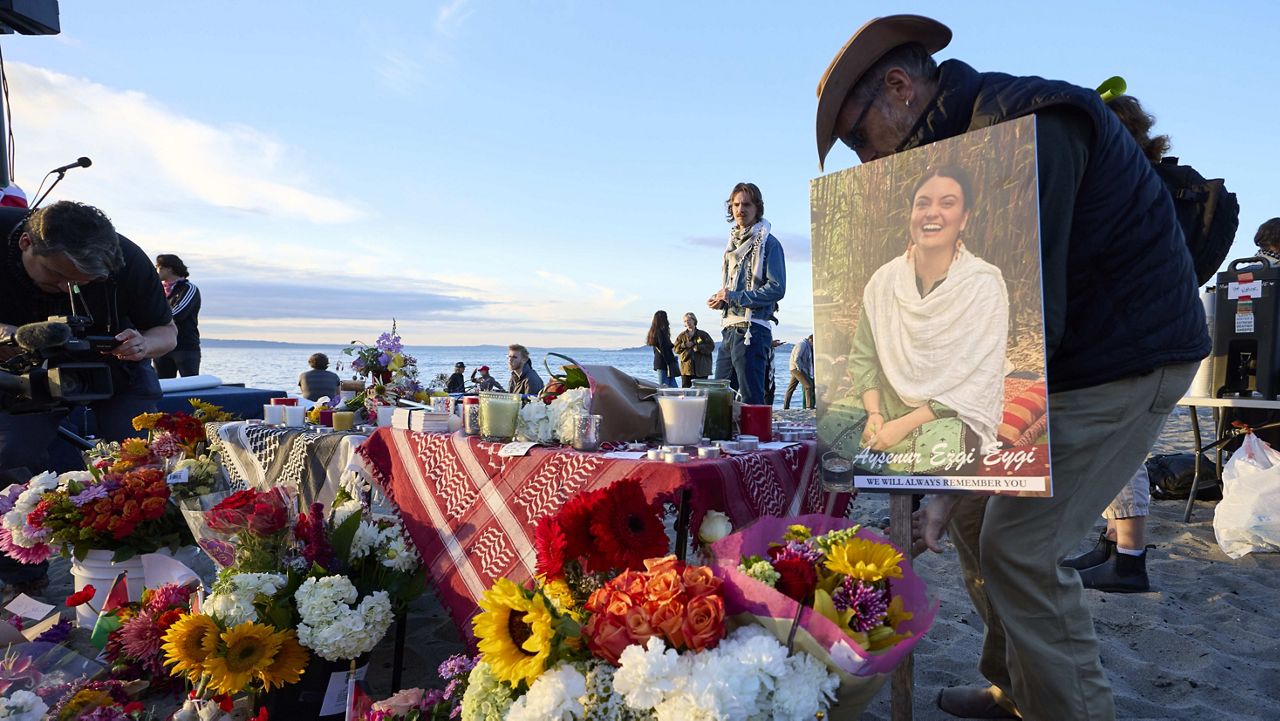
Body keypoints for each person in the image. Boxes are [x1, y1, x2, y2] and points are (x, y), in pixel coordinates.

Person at [815, 16, 1206, 721]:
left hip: (1125, 356)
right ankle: (1016, 686)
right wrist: (939, 475)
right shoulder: (960, 151)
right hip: (1069, 353)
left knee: (1022, 544)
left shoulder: (1028, 125)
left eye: (857, 139)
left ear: (899, 88)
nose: (865, 162)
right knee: (969, 516)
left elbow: (1026, 328)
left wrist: (949, 476)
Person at [0, 200, 177, 592]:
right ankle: (23, 573)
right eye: (57, 277)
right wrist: (11, 337)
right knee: (10, 454)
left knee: (141, 462)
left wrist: (144, 346)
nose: (67, 289)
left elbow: (167, 332)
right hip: (26, 369)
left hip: (117, 368)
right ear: (26, 243)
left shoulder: (126, 258)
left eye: (81, 284)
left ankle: (145, 569)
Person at [825, 165, 1008, 474]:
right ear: (911, 215)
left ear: (964, 218)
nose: (931, 213)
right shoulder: (884, 282)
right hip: (885, 402)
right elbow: (863, 357)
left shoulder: (983, 284)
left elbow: (976, 379)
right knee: (830, 425)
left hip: (947, 412)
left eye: (947, 203)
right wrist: (874, 414)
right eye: (922, 203)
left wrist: (902, 426)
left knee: (946, 448)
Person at [1060, 95, 1174, 593]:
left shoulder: (1126, 190)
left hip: (1131, 347)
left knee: (1116, 454)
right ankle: (1114, 547)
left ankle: (1129, 561)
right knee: (1116, 453)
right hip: (1143, 341)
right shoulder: (1145, 186)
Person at [708, 182, 786, 406]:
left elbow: (777, 288)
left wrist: (734, 297)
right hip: (729, 330)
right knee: (719, 398)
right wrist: (722, 300)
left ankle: (755, 440)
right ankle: (724, 441)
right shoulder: (731, 247)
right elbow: (735, 288)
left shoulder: (769, 244)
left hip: (753, 330)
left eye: (747, 204)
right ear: (730, 208)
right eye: (736, 204)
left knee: (752, 399)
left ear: (757, 208)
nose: (740, 209)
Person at [152, 254, 201, 378]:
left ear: (169, 268)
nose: (156, 269)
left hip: (185, 348)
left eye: (158, 266)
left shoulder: (189, 289)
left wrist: (154, 319)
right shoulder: (158, 291)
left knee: (191, 386)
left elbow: (179, 313)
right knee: (163, 388)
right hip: (161, 346)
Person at [673, 312, 715, 387]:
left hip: (702, 369)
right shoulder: (681, 336)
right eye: (685, 321)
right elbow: (675, 349)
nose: (687, 322)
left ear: (694, 320)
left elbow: (711, 346)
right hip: (687, 370)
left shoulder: (703, 334)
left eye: (689, 320)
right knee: (686, 391)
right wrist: (684, 345)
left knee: (701, 391)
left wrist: (698, 347)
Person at [646, 311, 679, 388]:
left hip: (660, 362)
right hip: (665, 362)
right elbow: (664, 348)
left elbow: (664, 347)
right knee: (667, 387)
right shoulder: (661, 332)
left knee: (669, 386)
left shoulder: (654, 332)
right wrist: (670, 362)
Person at [784, 334, 816, 410]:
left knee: (791, 388)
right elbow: (797, 358)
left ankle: (786, 407)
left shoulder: (807, 346)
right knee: (808, 386)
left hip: (795, 368)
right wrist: (800, 369)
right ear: (811, 340)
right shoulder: (803, 344)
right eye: (814, 343)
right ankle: (809, 407)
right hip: (796, 369)